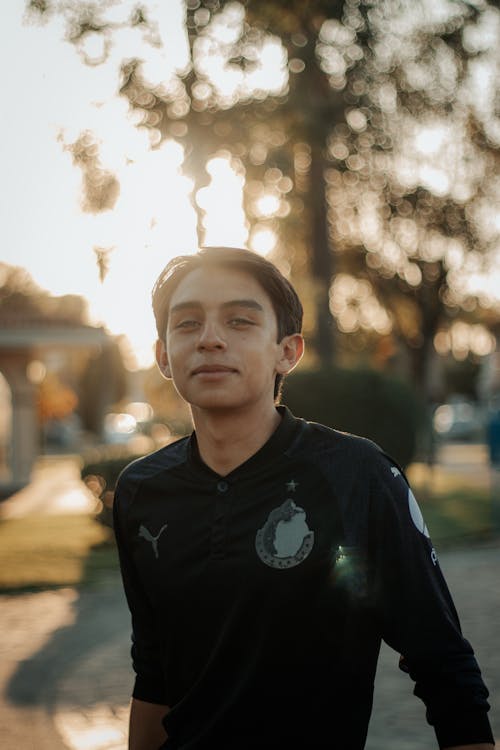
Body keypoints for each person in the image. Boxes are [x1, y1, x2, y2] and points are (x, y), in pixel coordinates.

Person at [113, 246, 495, 750]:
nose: (209, 339)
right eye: (187, 324)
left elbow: (444, 666)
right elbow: (155, 671)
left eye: (240, 321)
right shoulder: (141, 491)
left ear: (287, 351)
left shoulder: (358, 477)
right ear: (163, 355)